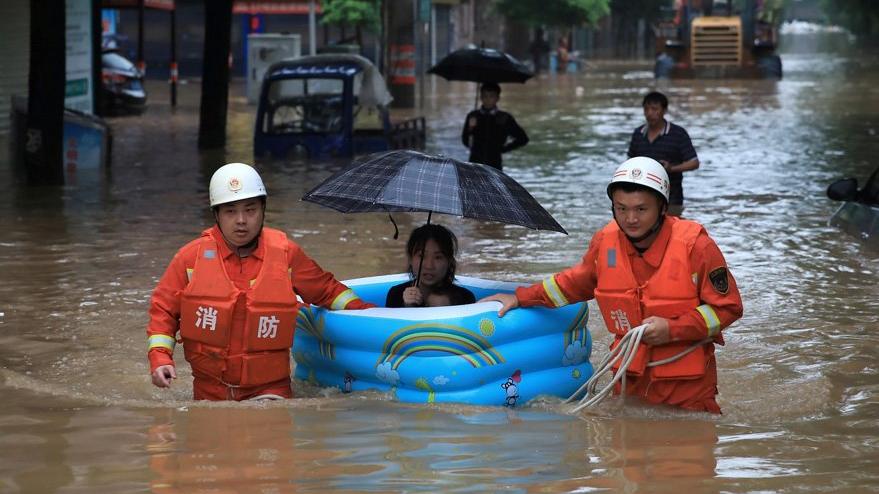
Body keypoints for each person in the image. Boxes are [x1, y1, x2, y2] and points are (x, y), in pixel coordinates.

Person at [480, 157, 743, 414]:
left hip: (688, 391)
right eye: (621, 208)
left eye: (641, 209)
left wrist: (673, 329)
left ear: (663, 208)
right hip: (630, 382)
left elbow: (728, 308)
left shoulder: (696, 246)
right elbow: (571, 284)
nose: (630, 219)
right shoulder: (605, 243)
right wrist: (520, 297)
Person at [146, 162, 374, 401]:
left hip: (271, 391)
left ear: (263, 210)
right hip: (209, 393)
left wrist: (372, 314)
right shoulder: (189, 258)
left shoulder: (286, 253)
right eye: (230, 211)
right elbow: (163, 311)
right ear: (216, 215)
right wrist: (160, 358)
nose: (241, 220)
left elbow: (328, 291)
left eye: (250, 210)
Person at [627, 91, 700, 209]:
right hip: (641, 196)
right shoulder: (638, 134)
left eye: (655, 109)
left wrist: (671, 168)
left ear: (664, 110)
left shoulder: (678, 134)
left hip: (671, 196)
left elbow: (694, 162)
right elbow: (631, 162)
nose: (650, 113)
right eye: (646, 109)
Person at [385, 223, 475, 308]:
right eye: (422, 256)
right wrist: (406, 307)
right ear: (410, 259)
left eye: (438, 257)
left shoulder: (465, 299)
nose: (429, 266)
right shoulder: (396, 295)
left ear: (449, 261)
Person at [461, 82, 529, 171]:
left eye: (491, 96)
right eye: (485, 96)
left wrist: (503, 149)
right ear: (481, 97)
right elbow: (465, 141)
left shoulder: (504, 118)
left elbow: (523, 139)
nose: (487, 99)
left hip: (494, 164)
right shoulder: (473, 116)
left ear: (497, 98)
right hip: (475, 163)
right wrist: (470, 129)